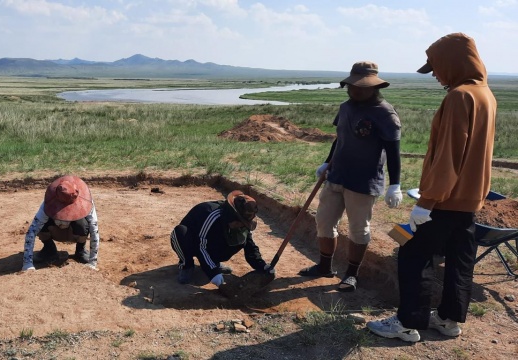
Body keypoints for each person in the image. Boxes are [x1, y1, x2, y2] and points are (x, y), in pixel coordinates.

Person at [367, 33, 496, 342]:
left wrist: (428, 201)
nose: (436, 74)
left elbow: (449, 154)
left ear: (453, 61)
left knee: (414, 254)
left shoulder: (459, 96)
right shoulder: (486, 94)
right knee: (460, 260)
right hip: (469, 201)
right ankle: (449, 320)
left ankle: (407, 324)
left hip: (445, 200)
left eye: (436, 67)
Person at [298, 61, 402, 292]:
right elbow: (340, 138)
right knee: (324, 222)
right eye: (352, 86)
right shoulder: (346, 107)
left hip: (363, 183)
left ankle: (352, 274)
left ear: (374, 87)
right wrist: (327, 161)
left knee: (358, 229)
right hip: (336, 175)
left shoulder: (385, 114)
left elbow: (394, 152)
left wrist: (395, 184)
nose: (355, 90)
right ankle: (324, 267)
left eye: (361, 87)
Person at [170, 190, 273, 291]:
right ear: (232, 215)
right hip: (192, 241)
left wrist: (262, 265)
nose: (241, 225)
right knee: (180, 233)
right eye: (240, 222)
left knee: (240, 239)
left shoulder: (241, 225)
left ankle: (214, 262)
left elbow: (249, 245)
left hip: (210, 241)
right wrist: (214, 274)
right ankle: (186, 265)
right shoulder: (212, 215)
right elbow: (200, 246)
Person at [21, 175, 100, 271]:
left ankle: (80, 250)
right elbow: (32, 231)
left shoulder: (86, 203)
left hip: (74, 232)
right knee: (41, 224)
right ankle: (49, 249)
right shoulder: (48, 204)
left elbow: (94, 230)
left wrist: (92, 262)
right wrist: (27, 264)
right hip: (54, 230)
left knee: (83, 224)